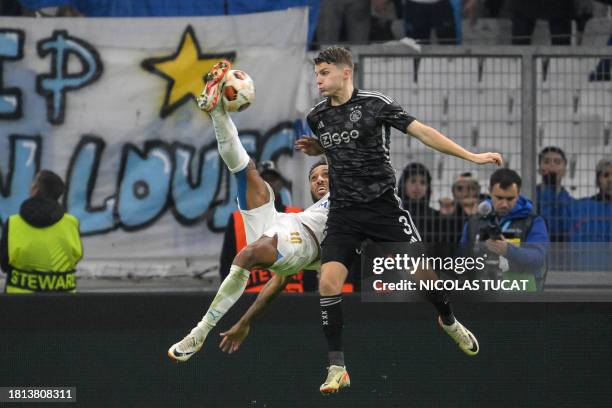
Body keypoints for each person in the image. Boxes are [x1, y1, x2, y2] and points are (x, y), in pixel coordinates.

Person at [296, 46, 502, 394]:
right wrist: (321, 148)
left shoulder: (375, 104)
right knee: (329, 283)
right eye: (316, 74)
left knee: (424, 277)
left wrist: (473, 156)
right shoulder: (317, 117)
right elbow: (340, 145)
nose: (318, 79)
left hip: (384, 210)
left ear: (346, 72)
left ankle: (448, 319)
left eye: (325, 72)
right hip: (344, 213)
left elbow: (423, 132)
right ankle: (337, 366)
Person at [167, 61, 330, 362]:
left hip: (303, 242)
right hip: (282, 225)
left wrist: (325, 148)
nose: (319, 179)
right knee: (246, 171)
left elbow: (355, 163)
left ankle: (199, 332)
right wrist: (245, 320)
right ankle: (216, 111)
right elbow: (278, 280)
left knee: (247, 254)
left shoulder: (349, 199)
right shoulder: (308, 211)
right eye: (313, 177)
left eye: (325, 176)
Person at [219, 161, 307, 292]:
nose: (269, 183)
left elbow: (309, 262)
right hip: (251, 300)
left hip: (293, 300)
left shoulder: (298, 216)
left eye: (273, 179)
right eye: (263, 179)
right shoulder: (238, 220)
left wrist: (308, 299)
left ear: (281, 184)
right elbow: (227, 266)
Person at [460, 168, 549, 291]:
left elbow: (538, 258)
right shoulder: (475, 222)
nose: (504, 204)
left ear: (518, 194)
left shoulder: (533, 221)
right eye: (499, 198)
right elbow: (461, 260)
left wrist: (508, 250)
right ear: (490, 192)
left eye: (510, 198)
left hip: (521, 296)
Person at [0, 170, 82, 293]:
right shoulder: (71, 223)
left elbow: (4, 264)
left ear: (35, 189)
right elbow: (75, 258)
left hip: (19, 303)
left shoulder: (13, 222)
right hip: (64, 301)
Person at [563, 158, 612, 270]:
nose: (610, 179)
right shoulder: (579, 208)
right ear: (598, 179)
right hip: (584, 274)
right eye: (606, 175)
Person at [536, 146, 574, 242]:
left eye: (557, 162)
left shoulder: (571, 204)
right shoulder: (528, 199)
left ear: (565, 170)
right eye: (547, 162)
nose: (552, 165)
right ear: (539, 169)